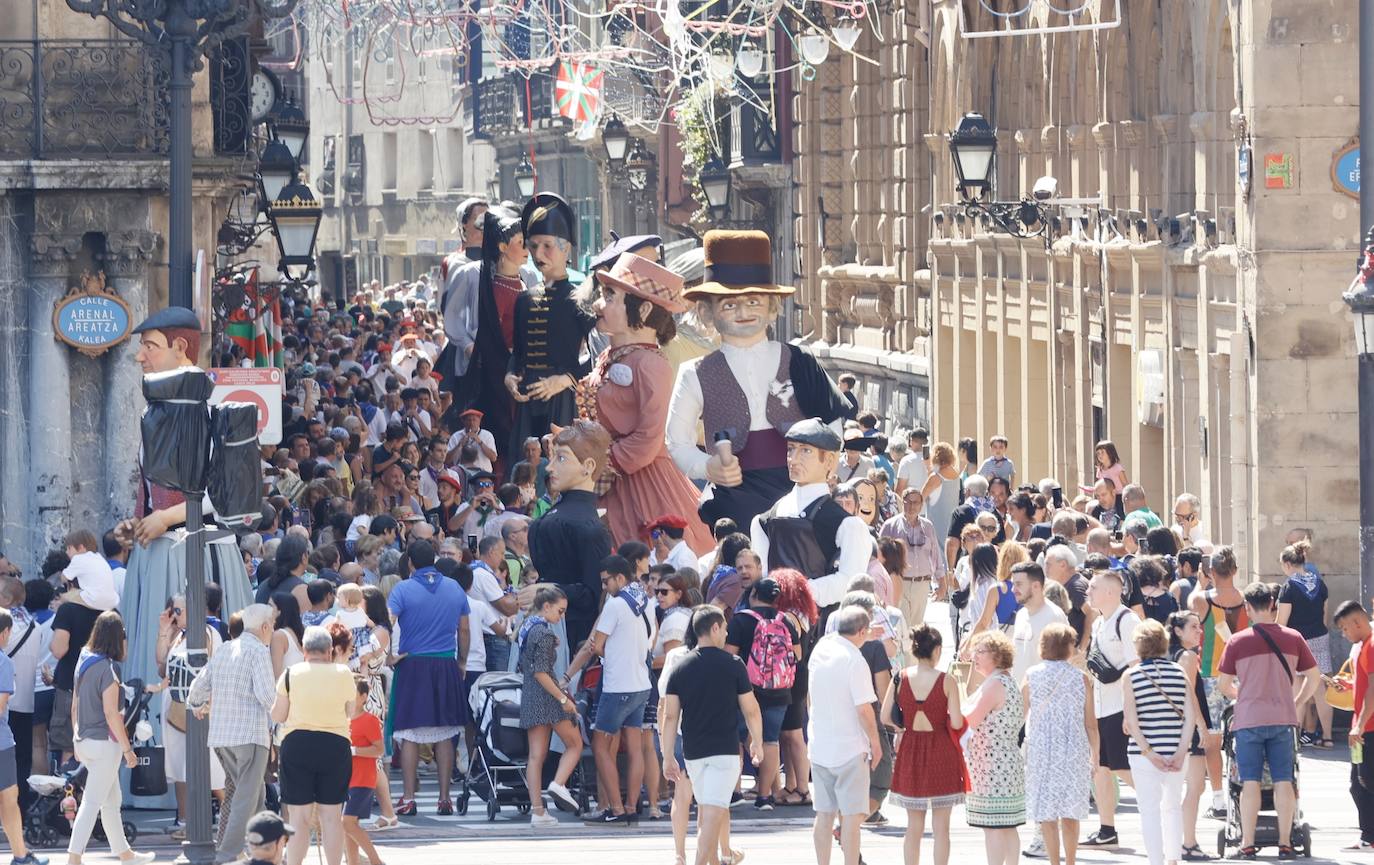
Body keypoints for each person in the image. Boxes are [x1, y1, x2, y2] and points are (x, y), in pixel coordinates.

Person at [666, 229, 848, 533]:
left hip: (799, 494)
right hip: (734, 496)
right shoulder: (694, 373)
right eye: (728, 304)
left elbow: (832, 421)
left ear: (772, 306)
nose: (742, 312)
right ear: (707, 311)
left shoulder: (800, 361)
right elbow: (677, 440)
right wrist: (707, 467)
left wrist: (824, 467)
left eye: (753, 301)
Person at [583, 252, 714, 554]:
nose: (598, 305)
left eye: (609, 296)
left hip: (644, 485)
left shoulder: (651, 364)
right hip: (604, 478)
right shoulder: (609, 357)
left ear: (641, 309)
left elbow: (651, 436)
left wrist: (602, 462)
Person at [1216, 582, 1320, 860]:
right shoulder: (1293, 637)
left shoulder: (1238, 641)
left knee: (1249, 782)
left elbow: (1223, 684)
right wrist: (1296, 700)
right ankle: (1285, 843)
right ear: (1273, 603)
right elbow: (1314, 677)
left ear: (1248, 608)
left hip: (1248, 720)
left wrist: (1244, 694)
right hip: (1283, 718)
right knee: (1284, 780)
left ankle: (1247, 843)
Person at [662, 605, 763, 865]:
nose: (727, 634)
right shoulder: (733, 664)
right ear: (715, 628)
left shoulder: (680, 667)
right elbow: (751, 709)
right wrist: (757, 743)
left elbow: (670, 716)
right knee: (713, 814)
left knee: (710, 812)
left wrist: (666, 755)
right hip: (725, 751)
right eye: (725, 629)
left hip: (693, 751)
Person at [564, 555, 656, 824]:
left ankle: (614, 808)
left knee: (601, 745)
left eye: (606, 581)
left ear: (620, 577)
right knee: (636, 747)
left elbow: (597, 645)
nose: (604, 587)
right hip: (642, 683)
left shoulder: (615, 605)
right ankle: (629, 807)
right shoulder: (643, 600)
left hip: (618, 686)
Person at [751, 419, 872, 623]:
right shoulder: (764, 520)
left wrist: (797, 593)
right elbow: (761, 576)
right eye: (791, 449)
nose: (794, 459)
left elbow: (849, 583)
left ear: (830, 461)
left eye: (805, 451)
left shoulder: (848, 525)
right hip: (770, 628)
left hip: (822, 629)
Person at [506, 193, 598, 456]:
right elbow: (518, 352)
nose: (539, 253)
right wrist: (509, 376)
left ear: (566, 248)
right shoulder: (524, 299)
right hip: (526, 401)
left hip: (562, 400)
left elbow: (596, 352)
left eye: (547, 245)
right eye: (533, 246)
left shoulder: (580, 297)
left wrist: (566, 379)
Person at [186, 603, 278, 863]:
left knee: (250, 796)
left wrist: (197, 705)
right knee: (246, 798)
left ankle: (265, 853)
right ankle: (227, 855)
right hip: (250, 734)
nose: (273, 629)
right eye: (272, 625)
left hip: (221, 735)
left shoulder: (226, 648)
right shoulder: (259, 651)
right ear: (264, 627)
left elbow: (198, 687)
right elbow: (266, 696)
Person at [386, 539, 470, 816]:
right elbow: (464, 630)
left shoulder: (403, 589)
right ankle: (444, 798)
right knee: (445, 733)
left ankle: (409, 798)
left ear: (410, 562)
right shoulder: (454, 587)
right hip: (445, 662)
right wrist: (461, 661)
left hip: (412, 663)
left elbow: (388, 622)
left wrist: (389, 655)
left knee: (410, 733)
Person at [522, 420, 615, 656]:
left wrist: (549, 590)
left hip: (570, 639)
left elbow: (592, 593)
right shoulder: (560, 518)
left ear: (588, 466)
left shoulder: (590, 528)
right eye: (552, 458)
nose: (550, 467)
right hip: (543, 627)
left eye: (561, 458)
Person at [67, 611, 151, 865]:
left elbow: (74, 705)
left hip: (85, 739)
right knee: (94, 803)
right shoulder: (109, 667)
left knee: (111, 800)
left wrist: (75, 739)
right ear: (117, 638)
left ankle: (125, 854)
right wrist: (128, 750)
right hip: (105, 743)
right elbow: (111, 713)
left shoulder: (84, 659)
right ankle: (74, 858)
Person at [271, 626, 358, 865]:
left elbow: (278, 715)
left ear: (304, 650)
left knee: (299, 818)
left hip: (297, 744)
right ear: (330, 650)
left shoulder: (290, 674)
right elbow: (351, 711)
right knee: (331, 816)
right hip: (335, 744)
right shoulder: (343, 673)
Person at [882, 624, 965, 865]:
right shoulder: (946, 680)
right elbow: (958, 721)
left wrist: (901, 728)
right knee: (942, 828)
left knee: (914, 825)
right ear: (937, 650)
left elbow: (885, 716)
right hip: (941, 748)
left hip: (911, 748)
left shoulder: (900, 677)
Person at [807, 606, 882, 865]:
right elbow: (864, 709)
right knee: (851, 817)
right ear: (862, 631)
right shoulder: (855, 660)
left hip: (820, 745)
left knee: (824, 814)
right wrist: (875, 743)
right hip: (850, 748)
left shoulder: (822, 649)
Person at [1122, 619, 1195, 865]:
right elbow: (1190, 717)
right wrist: (1181, 750)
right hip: (1176, 749)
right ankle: (1173, 859)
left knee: (1149, 810)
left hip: (1145, 755)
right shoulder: (1180, 672)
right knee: (1173, 806)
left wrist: (1149, 752)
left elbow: (1131, 722)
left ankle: (1156, 860)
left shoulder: (1131, 676)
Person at [724, 577, 799, 810]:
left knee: (736, 737)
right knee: (771, 740)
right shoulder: (786, 621)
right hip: (780, 690)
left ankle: (734, 792)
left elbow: (729, 655)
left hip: (747, 690)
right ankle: (765, 796)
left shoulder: (741, 620)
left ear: (754, 593)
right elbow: (797, 655)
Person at [1022, 623, 1093, 865]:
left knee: (1047, 813)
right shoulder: (1081, 678)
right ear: (1068, 647)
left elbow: (1020, 715)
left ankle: (1054, 862)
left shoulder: (1032, 675)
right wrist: (1096, 754)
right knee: (1070, 811)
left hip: (1042, 748)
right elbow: (1091, 723)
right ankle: (1070, 861)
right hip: (1074, 748)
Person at [156, 595, 226, 837]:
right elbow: (161, 667)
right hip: (175, 707)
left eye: (178, 609)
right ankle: (186, 822)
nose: (174, 614)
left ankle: (233, 818)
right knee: (179, 767)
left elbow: (214, 669)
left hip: (198, 709)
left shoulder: (207, 633)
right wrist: (164, 632)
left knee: (210, 768)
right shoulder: (179, 636)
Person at [1083, 569, 1140, 848]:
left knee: (1121, 765)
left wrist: (1132, 712)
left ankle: (1164, 809)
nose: (1088, 591)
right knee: (1101, 767)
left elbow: (1135, 667)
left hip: (1121, 707)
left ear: (1110, 592)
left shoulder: (1128, 621)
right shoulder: (1097, 623)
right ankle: (1107, 830)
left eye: (1093, 587)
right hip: (1100, 707)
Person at [518, 586, 583, 827]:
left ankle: (538, 811)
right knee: (575, 743)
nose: (562, 616)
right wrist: (564, 699)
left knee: (535, 756)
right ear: (546, 607)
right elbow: (542, 672)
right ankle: (558, 783)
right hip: (548, 695)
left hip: (530, 696)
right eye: (560, 610)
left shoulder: (528, 627)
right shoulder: (543, 633)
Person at [961, 630, 1025, 865]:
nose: (975, 655)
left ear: (997, 656)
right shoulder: (1007, 680)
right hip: (1006, 761)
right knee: (1007, 825)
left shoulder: (995, 684)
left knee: (994, 826)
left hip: (993, 765)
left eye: (981, 651)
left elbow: (970, 720)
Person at [1165, 610, 1212, 861]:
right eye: (1193, 627)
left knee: (1185, 788)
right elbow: (1189, 694)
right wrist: (1202, 727)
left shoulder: (1169, 654)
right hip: (1188, 727)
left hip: (1173, 727)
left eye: (1199, 627)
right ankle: (1188, 842)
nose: (1199, 631)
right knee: (1196, 786)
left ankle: (1183, 841)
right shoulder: (1187, 656)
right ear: (1178, 631)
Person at [1275, 539, 1332, 748]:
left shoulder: (1289, 586)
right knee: (1321, 691)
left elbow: (1281, 622)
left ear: (1288, 564)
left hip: (1296, 642)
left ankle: (1295, 738)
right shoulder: (1319, 582)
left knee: (1297, 689)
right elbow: (1325, 616)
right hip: (1319, 638)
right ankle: (1327, 737)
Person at [1335, 600, 1374, 852]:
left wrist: (1358, 726)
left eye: (1344, 628)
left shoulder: (1370, 646)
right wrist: (1349, 686)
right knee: (1359, 783)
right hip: (1363, 728)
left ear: (1357, 622)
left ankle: (1369, 836)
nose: (1343, 633)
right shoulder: (1364, 646)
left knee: (1364, 783)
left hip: (1367, 729)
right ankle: (1368, 836)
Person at [878, 487, 945, 631]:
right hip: (899, 582)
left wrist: (942, 581)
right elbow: (880, 555)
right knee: (903, 627)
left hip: (922, 584)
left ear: (921, 505)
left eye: (916, 503)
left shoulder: (927, 526)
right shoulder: (890, 525)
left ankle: (912, 654)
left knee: (916, 629)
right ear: (902, 503)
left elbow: (935, 555)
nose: (912, 506)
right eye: (909, 502)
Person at [342, 679, 386, 865]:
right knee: (349, 827)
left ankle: (375, 861)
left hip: (363, 779)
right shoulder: (343, 721)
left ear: (363, 697)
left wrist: (355, 751)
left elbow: (379, 749)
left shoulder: (370, 720)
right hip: (346, 779)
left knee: (347, 823)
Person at [1009, 562, 1067, 686]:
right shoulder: (1021, 615)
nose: (1013, 590)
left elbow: (1062, 664)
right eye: (1013, 584)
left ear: (1036, 586)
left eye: (1018, 584)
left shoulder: (1053, 616)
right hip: (1021, 696)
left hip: (1043, 697)